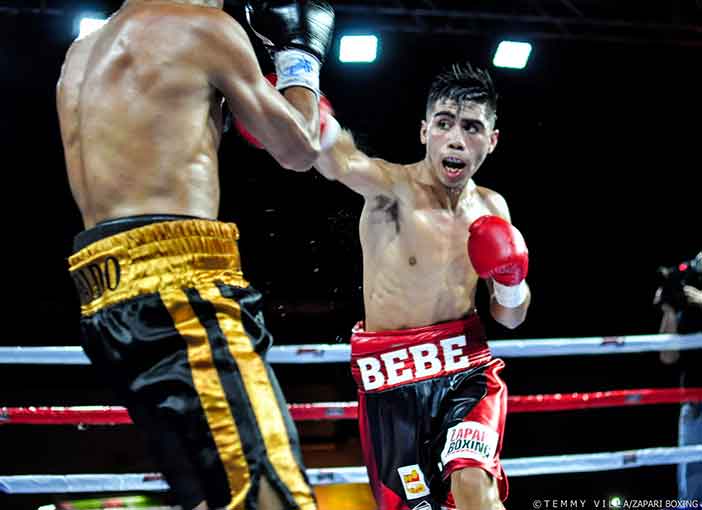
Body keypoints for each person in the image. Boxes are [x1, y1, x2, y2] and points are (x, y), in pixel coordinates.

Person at [56, 0, 335, 508]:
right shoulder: (204, 27)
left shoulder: (81, 53)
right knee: (269, 491)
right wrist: (301, 56)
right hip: (181, 293)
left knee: (210, 498)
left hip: (106, 302)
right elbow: (299, 149)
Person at [314, 63, 530, 509]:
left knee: (474, 486)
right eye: (444, 124)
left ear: (491, 141)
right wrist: (308, 105)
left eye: (471, 128)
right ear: (424, 131)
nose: (456, 138)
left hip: (466, 372)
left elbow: (509, 318)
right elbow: (340, 161)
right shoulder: (392, 189)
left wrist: (511, 282)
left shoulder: (493, 207)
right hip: (392, 380)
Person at [654, 252, 702, 502]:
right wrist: (670, 310)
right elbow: (668, 356)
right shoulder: (689, 282)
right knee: (692, 492)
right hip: (695, 403)